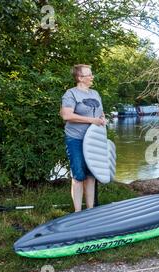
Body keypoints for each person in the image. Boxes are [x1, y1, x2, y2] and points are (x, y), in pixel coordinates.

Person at [60, 64, 106, 212]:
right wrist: (92, 121)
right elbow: (67, 115)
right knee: (79, 175)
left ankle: (91, 210)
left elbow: (100, 113)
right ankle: (78, 212)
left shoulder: (95, 94)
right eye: (89, 75)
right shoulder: (71, 94)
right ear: (80, 77)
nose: (92, 77)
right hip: (77, 139)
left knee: (91, 175)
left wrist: (102, 120)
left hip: (94, 141)